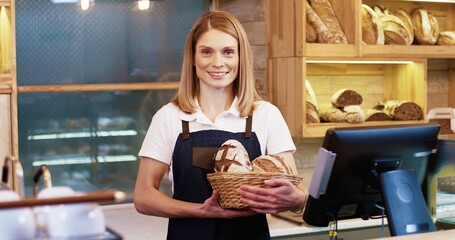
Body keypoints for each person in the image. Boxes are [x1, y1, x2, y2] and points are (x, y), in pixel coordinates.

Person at [134, 10, 308, 240]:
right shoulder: (169, 117)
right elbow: (143, 197)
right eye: (206, 52)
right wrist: (201, 211)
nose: (218, 63)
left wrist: (298, 200)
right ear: (193, 58)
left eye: (228, 52)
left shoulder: (266, 115)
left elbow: (294, 192)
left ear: (240, 57)